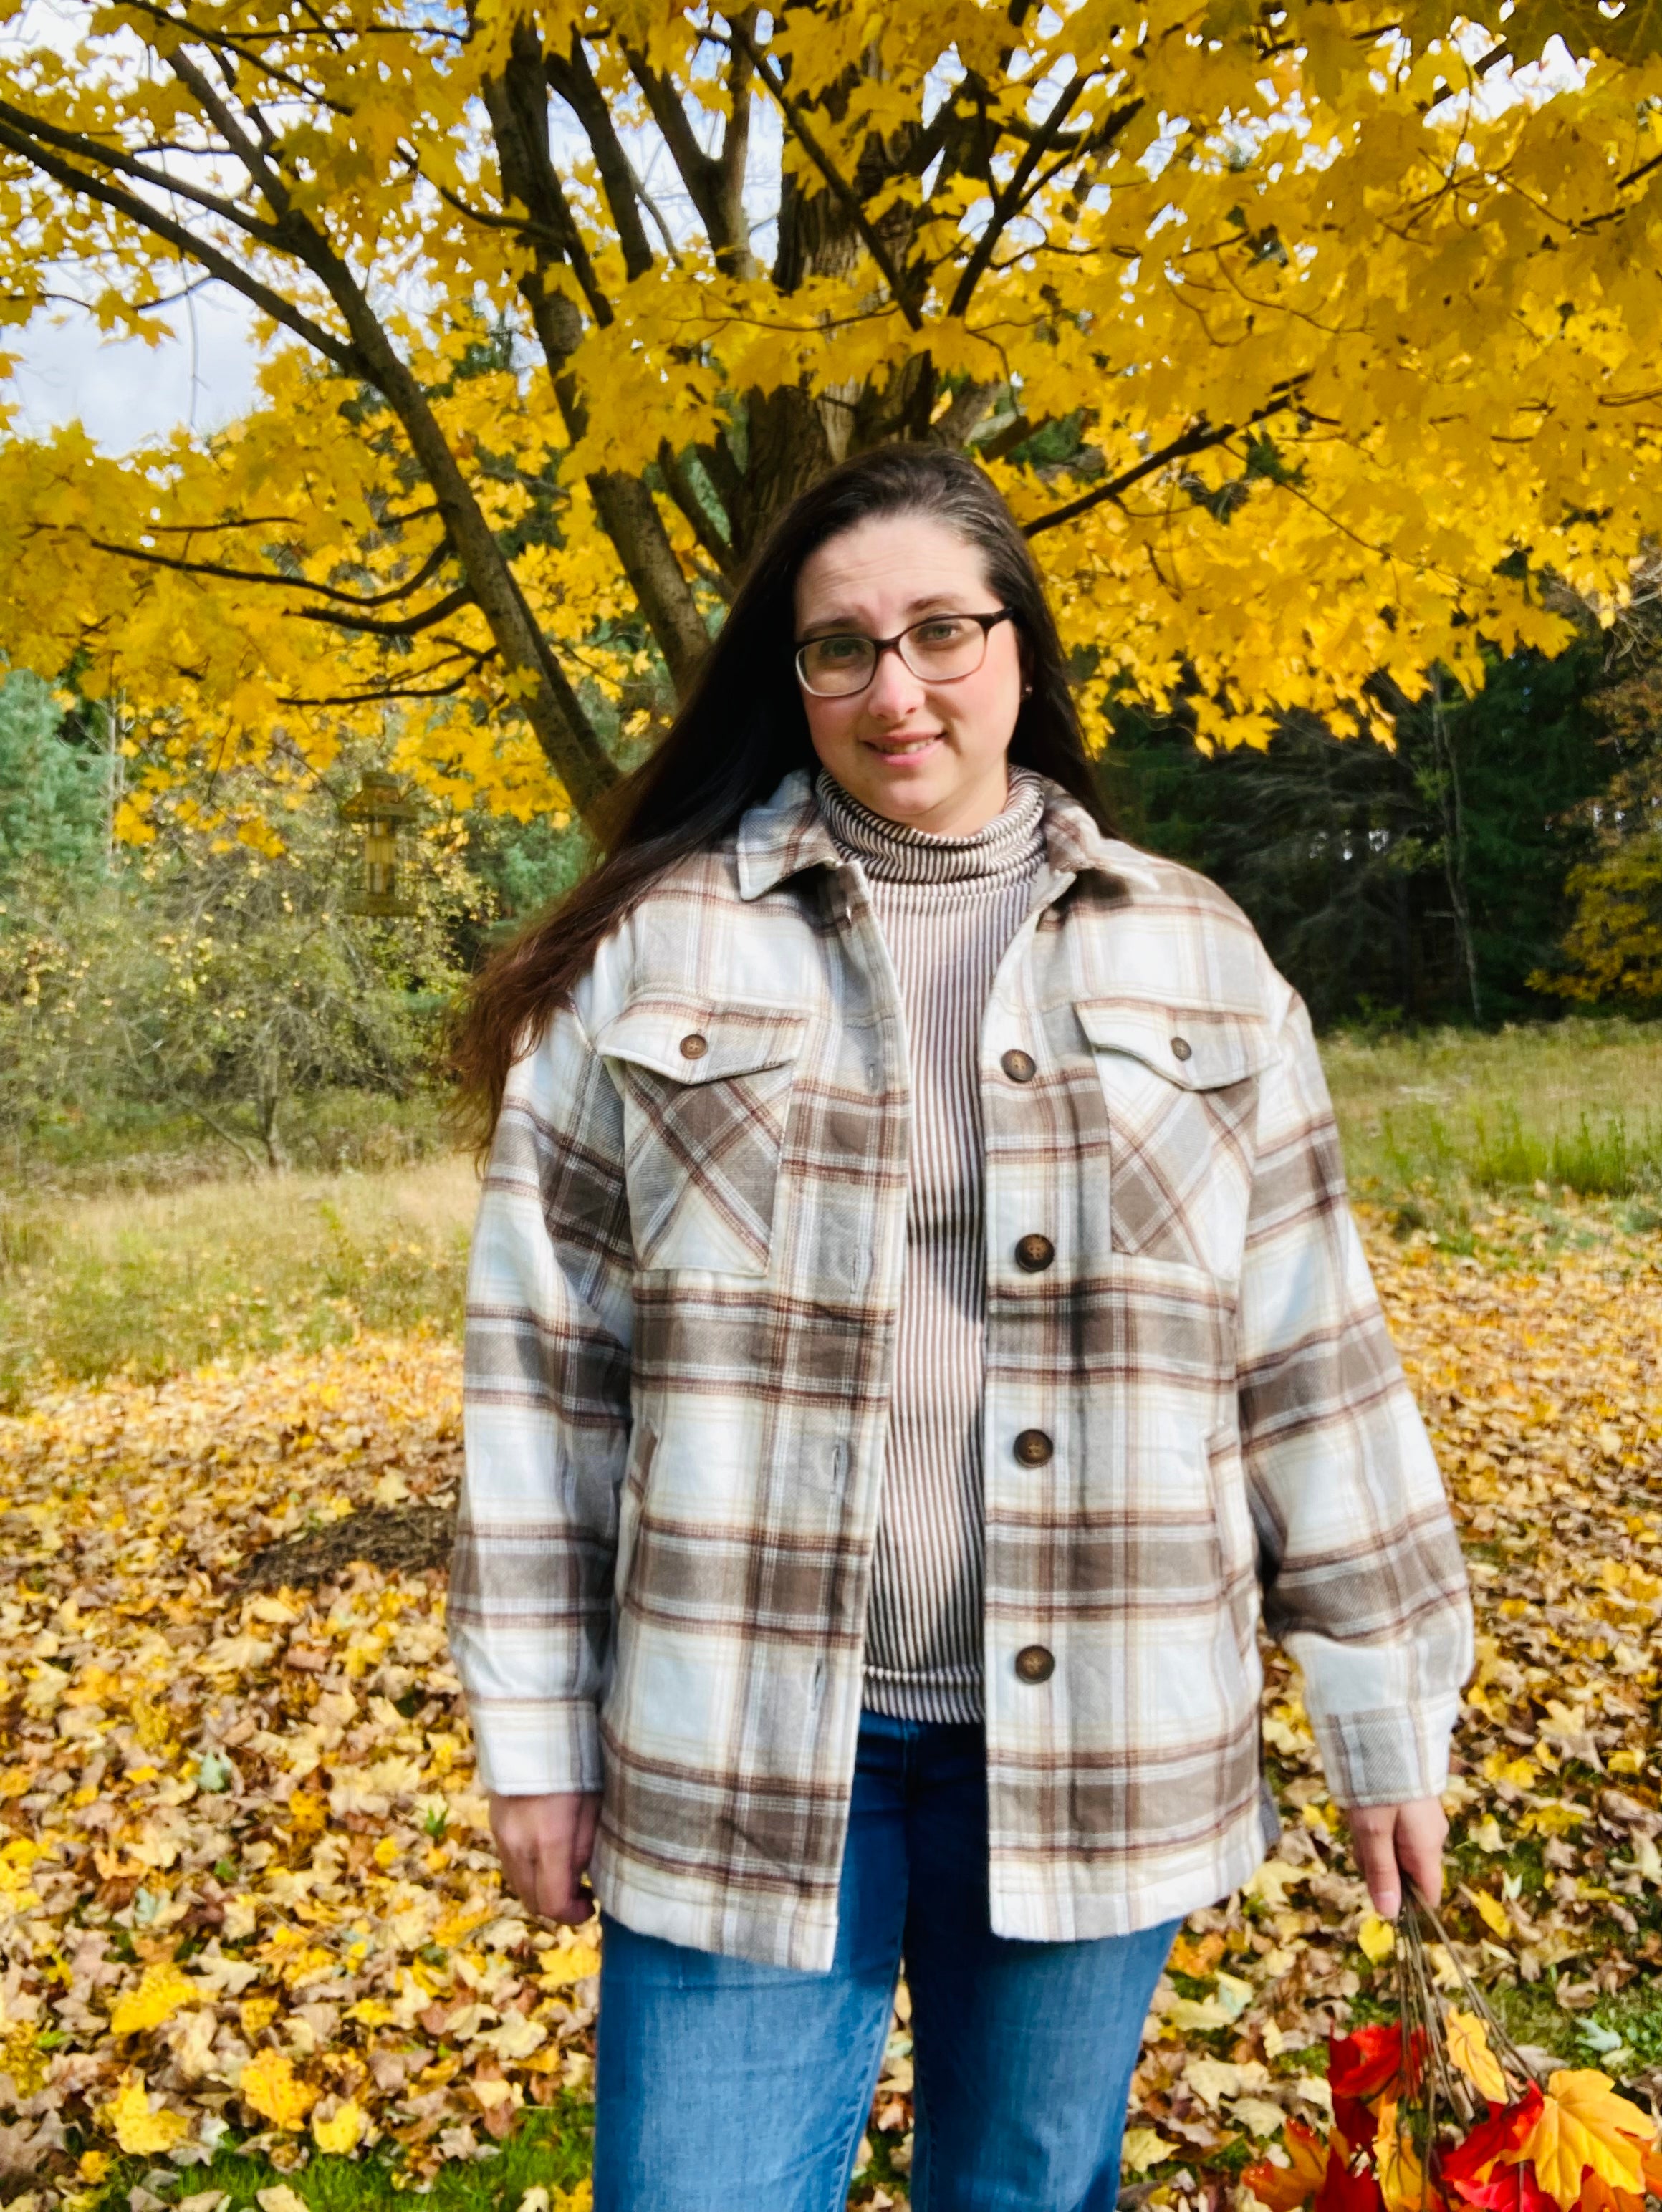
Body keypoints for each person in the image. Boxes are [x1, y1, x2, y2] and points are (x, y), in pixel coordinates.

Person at [448, 446, 1474, 2212]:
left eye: (938, 629)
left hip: (1097, 1728)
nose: (892, 686)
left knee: (1024, 2191)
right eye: (838, 648)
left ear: (1018, 645)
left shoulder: (1200, 956)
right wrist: (535, 1728)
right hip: (742, 1730)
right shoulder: (656, 951)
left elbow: (1309, 1352)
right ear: (792, 681)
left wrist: (1385, 1711)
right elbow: (544, 1377)